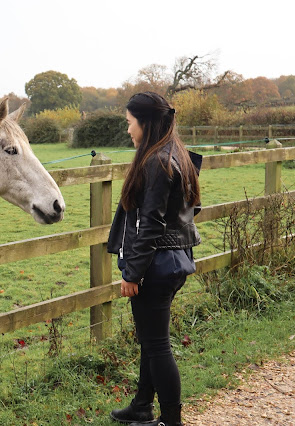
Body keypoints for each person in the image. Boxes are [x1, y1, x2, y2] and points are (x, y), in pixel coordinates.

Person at [107, 92, 202, 426]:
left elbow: (150, 225)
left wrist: (132, 273)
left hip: (157, 266)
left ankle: (171, 421)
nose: (128, 130)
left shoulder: (156, 161)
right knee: (151, 338)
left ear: (144, 123)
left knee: (158, 346)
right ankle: (142, 406)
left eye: (130, 123)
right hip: (174, 260)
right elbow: (189, 211)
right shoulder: (177, 154)